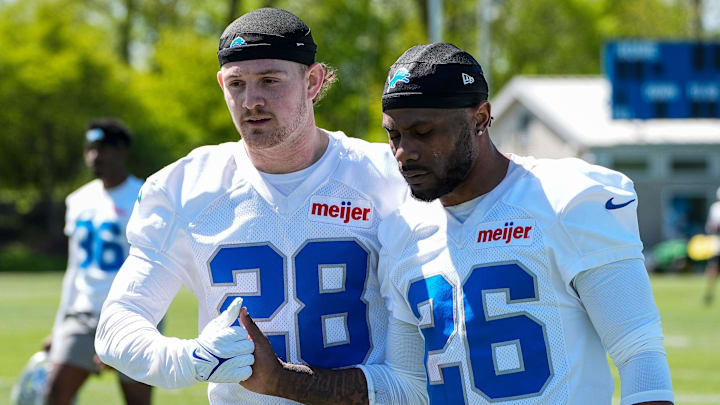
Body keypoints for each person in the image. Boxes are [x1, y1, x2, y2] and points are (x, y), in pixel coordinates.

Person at [95, 8, 427, 405]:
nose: (251, 101)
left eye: (270, 80)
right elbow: (116, 326)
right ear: (221, 84)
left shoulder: (387, 177)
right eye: (237, 84)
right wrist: (191, 359)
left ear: (313, 81)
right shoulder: (184, 187)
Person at [377, 42, 674, 405]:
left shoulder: (566, 200)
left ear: (481, 119)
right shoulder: (402, 231)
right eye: (395, 134)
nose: (404, 152)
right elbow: (407, 386)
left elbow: (639, 353)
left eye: (423, 132)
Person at [46, 118, 150, 405]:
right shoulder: (78, 199)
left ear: (121, 151)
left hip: (132, 315)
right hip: (83, 314)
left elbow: (156, 266)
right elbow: (74, 268)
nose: (94, 156)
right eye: (90, 149)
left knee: (137, 401)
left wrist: (145, 324)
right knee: (54, 394)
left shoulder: (147, 195)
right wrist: (59, 326)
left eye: (102, 148)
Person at [703, 186, 720, 304]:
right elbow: (712, 226)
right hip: (718, 246)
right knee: (713, 268)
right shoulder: (716, 208)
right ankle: (709, 293)